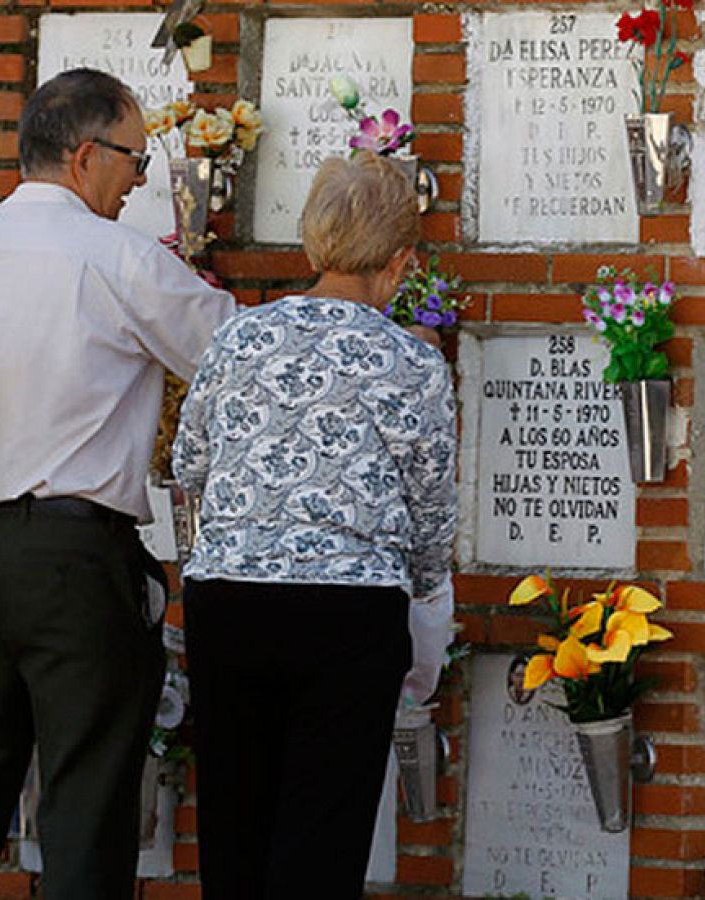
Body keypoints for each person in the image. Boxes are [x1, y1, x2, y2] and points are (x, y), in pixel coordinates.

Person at [0, 68, 236, 900]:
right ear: (85, 157)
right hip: (78, 558)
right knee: (85, 806)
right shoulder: (116, 256)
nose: (141, 180)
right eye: (135, 159)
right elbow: (235, 358)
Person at [171, 152, 458, 898]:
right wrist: (427, 605)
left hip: (228, 598)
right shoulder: (412, 362)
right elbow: (431, 512)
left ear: (312, 246)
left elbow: (189, 463)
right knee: (321, 840)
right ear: (400, 264)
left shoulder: (239, 338)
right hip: (348, 609)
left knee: (235, 829)